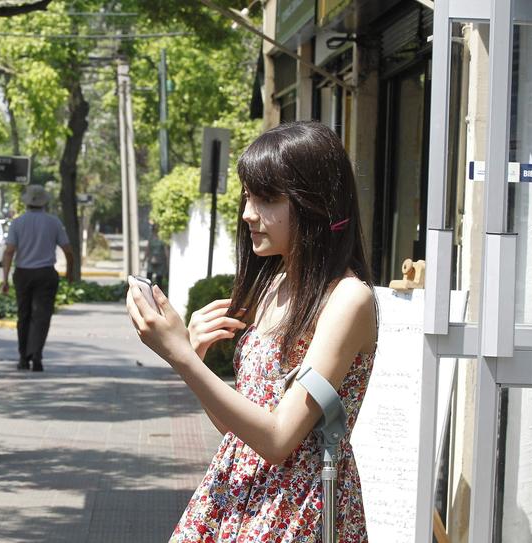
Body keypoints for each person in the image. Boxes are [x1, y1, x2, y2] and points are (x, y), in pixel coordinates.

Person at [126, 121, 378, 541]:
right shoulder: (274, 283)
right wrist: (195, 359)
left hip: (297, 510)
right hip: (238, 493)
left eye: (266, 199)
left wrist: (182, 357)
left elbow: (280, 439)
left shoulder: (349, 299)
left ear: (314, 203)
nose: (248, 214)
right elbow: (242, 431)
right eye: (247, 197)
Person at [1, 185, 74, 372]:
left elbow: (9, 251)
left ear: (26, 202)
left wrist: (5, 279)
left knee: (23, 315)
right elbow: (68, 251)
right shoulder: (54, 222)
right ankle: (37, 355)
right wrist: (70, 273)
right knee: (42, 316)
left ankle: (23, 357)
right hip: (45, 274)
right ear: (45, 203)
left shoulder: (17, 223)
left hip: (23, 273)